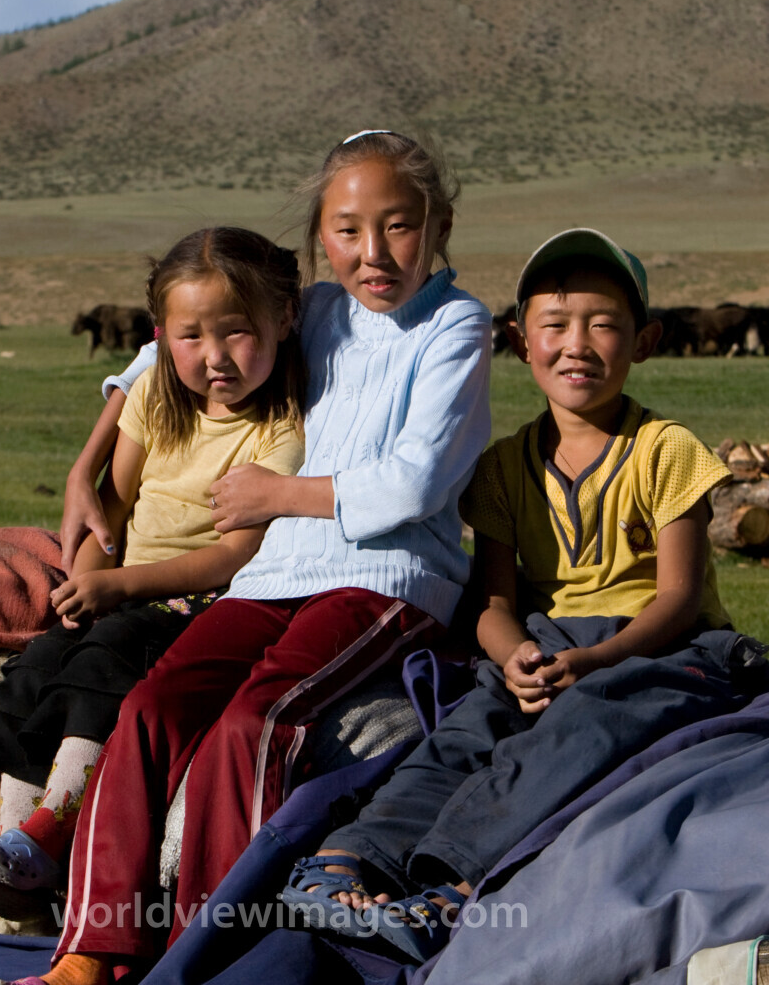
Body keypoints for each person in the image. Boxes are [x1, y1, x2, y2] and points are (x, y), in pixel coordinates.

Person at [39, 130, 492, 985]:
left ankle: (204, 958)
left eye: (398, 226)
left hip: (385, 579)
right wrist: (84, 464)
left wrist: (278, 494)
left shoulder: (454, 326)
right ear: (321, 236)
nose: (373, 252)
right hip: (276, 572)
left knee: (257, 722)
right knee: (153, 705)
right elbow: (167, 345)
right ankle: (92, 951)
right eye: (347, 230)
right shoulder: (316, 310)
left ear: (439, 226)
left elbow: (416, 481)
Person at [280, 228, 769, 962]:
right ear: (518, 341)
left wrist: (598, 660)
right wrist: (512, 658)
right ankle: (348, 859)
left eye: (604, 325)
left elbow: (679, 595)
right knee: (466, 732)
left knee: (581, 731)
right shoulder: (505, 467)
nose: (578, 346)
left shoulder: (667, 449)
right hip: (549, 645)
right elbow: (496, 603)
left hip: (662, 648)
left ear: (645, 341)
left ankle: (453, 885)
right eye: (555, 325)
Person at [0, 227, 307, 919]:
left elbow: (235, 555)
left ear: (283, 320)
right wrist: (83, 585)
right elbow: (112, 508)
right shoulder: (154, 399)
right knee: (36, 668)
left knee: (104, 663)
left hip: (197, 600)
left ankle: (49, 835)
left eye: (236, 332)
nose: (215, 356)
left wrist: (115, 588)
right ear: (162, 334)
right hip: (122, 590)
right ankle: (12, 842)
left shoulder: (278, 432)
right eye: (191, 336)